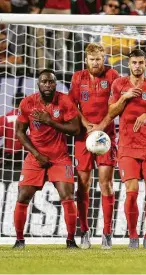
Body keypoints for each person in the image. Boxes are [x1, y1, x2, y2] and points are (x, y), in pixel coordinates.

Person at [92, 49, 146, 248]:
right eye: (134, 63)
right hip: (126, 146)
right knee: (131, 191)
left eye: (141, 62)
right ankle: (133, 236)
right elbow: (111, 112)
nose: (137, 66)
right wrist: (125, 97)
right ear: (129, 64)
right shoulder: (119, 84)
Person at [13, 69, 80, 249]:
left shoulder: (65, 101)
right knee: (22, 197)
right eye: (44, 82)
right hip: (35, 157)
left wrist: (50, 122)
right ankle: (19, 240)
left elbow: (76, 129)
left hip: (60, 158)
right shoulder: (28, 103)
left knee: (67, 196)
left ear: (55, 83)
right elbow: (19, 132)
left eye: (51, 82)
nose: (48, 85)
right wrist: (36, 154)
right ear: (38, 84)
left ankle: (71, 241)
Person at [69, 43, 119, 249]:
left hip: (105, 136)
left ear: (104, 58)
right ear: (86, 60)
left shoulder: (113, 75)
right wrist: (86, 124)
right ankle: (84, 231)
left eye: (99, 59)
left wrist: (100, 126)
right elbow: (73, 105)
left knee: (106, 184)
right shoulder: (77, 77)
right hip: (84, 137)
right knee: (82, 185)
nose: (96, 63)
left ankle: (107, 233)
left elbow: (117, 105)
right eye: (92, 59)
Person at [0, 92, 25, 165]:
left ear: (14, 103)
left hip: (9, 159)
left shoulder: (6, 118)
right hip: (28, 159)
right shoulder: (33, 118)